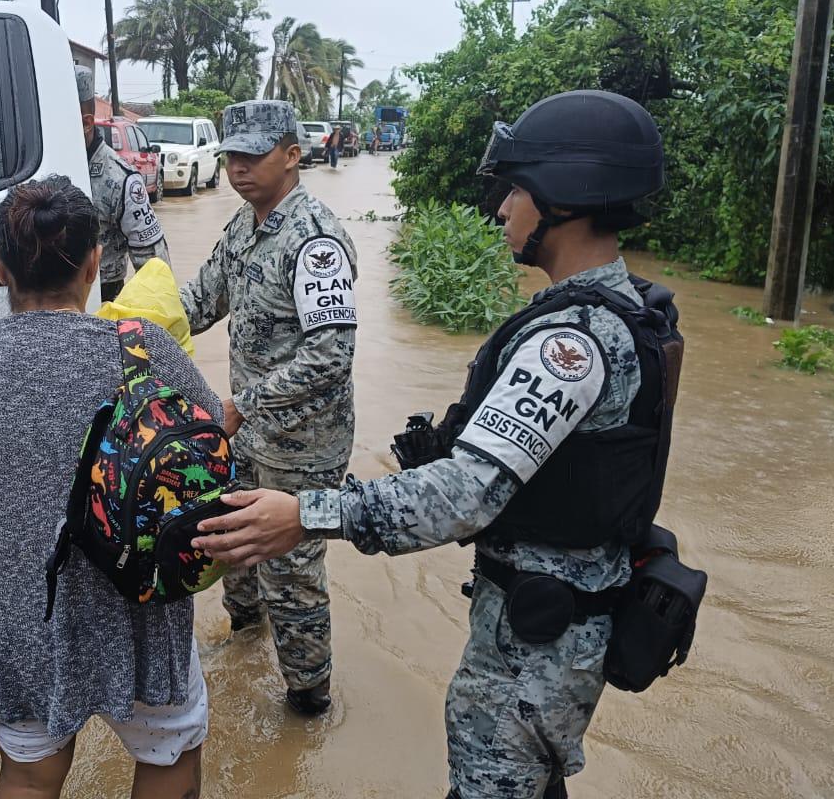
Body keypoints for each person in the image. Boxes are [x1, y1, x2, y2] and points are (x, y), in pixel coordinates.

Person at [192, 91, 682, 798]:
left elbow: (461, 494)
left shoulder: (571, 343)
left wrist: (306, 514)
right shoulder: (601, 314)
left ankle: (308, 693)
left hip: (538, 639)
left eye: (518, 189)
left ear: (569, 198)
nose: (503, 208)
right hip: (545, 619)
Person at [0, 176, 218, 799]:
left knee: (32, 774)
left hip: (18, 618)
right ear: (95, 264)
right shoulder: (143, 351)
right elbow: (205, 447)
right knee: (168, 756)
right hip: (137, 608)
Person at [179, 99, 358, 717]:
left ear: (292, 154)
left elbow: (332, 355)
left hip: (302, 445)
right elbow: (199, 301)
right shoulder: (241, 228)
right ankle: (244, 638)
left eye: (255, 155)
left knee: (291, 568)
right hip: (248, 433)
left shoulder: (315, 242)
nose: (239, 168)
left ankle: (308, 696)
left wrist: (242, 404)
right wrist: (129, 329)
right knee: (232, 543)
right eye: (232, 155)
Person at [75, 66, 171, 302]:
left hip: (103, 299)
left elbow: (154, 270)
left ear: (87, 123)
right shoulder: (38, 165)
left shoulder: (120, 180)